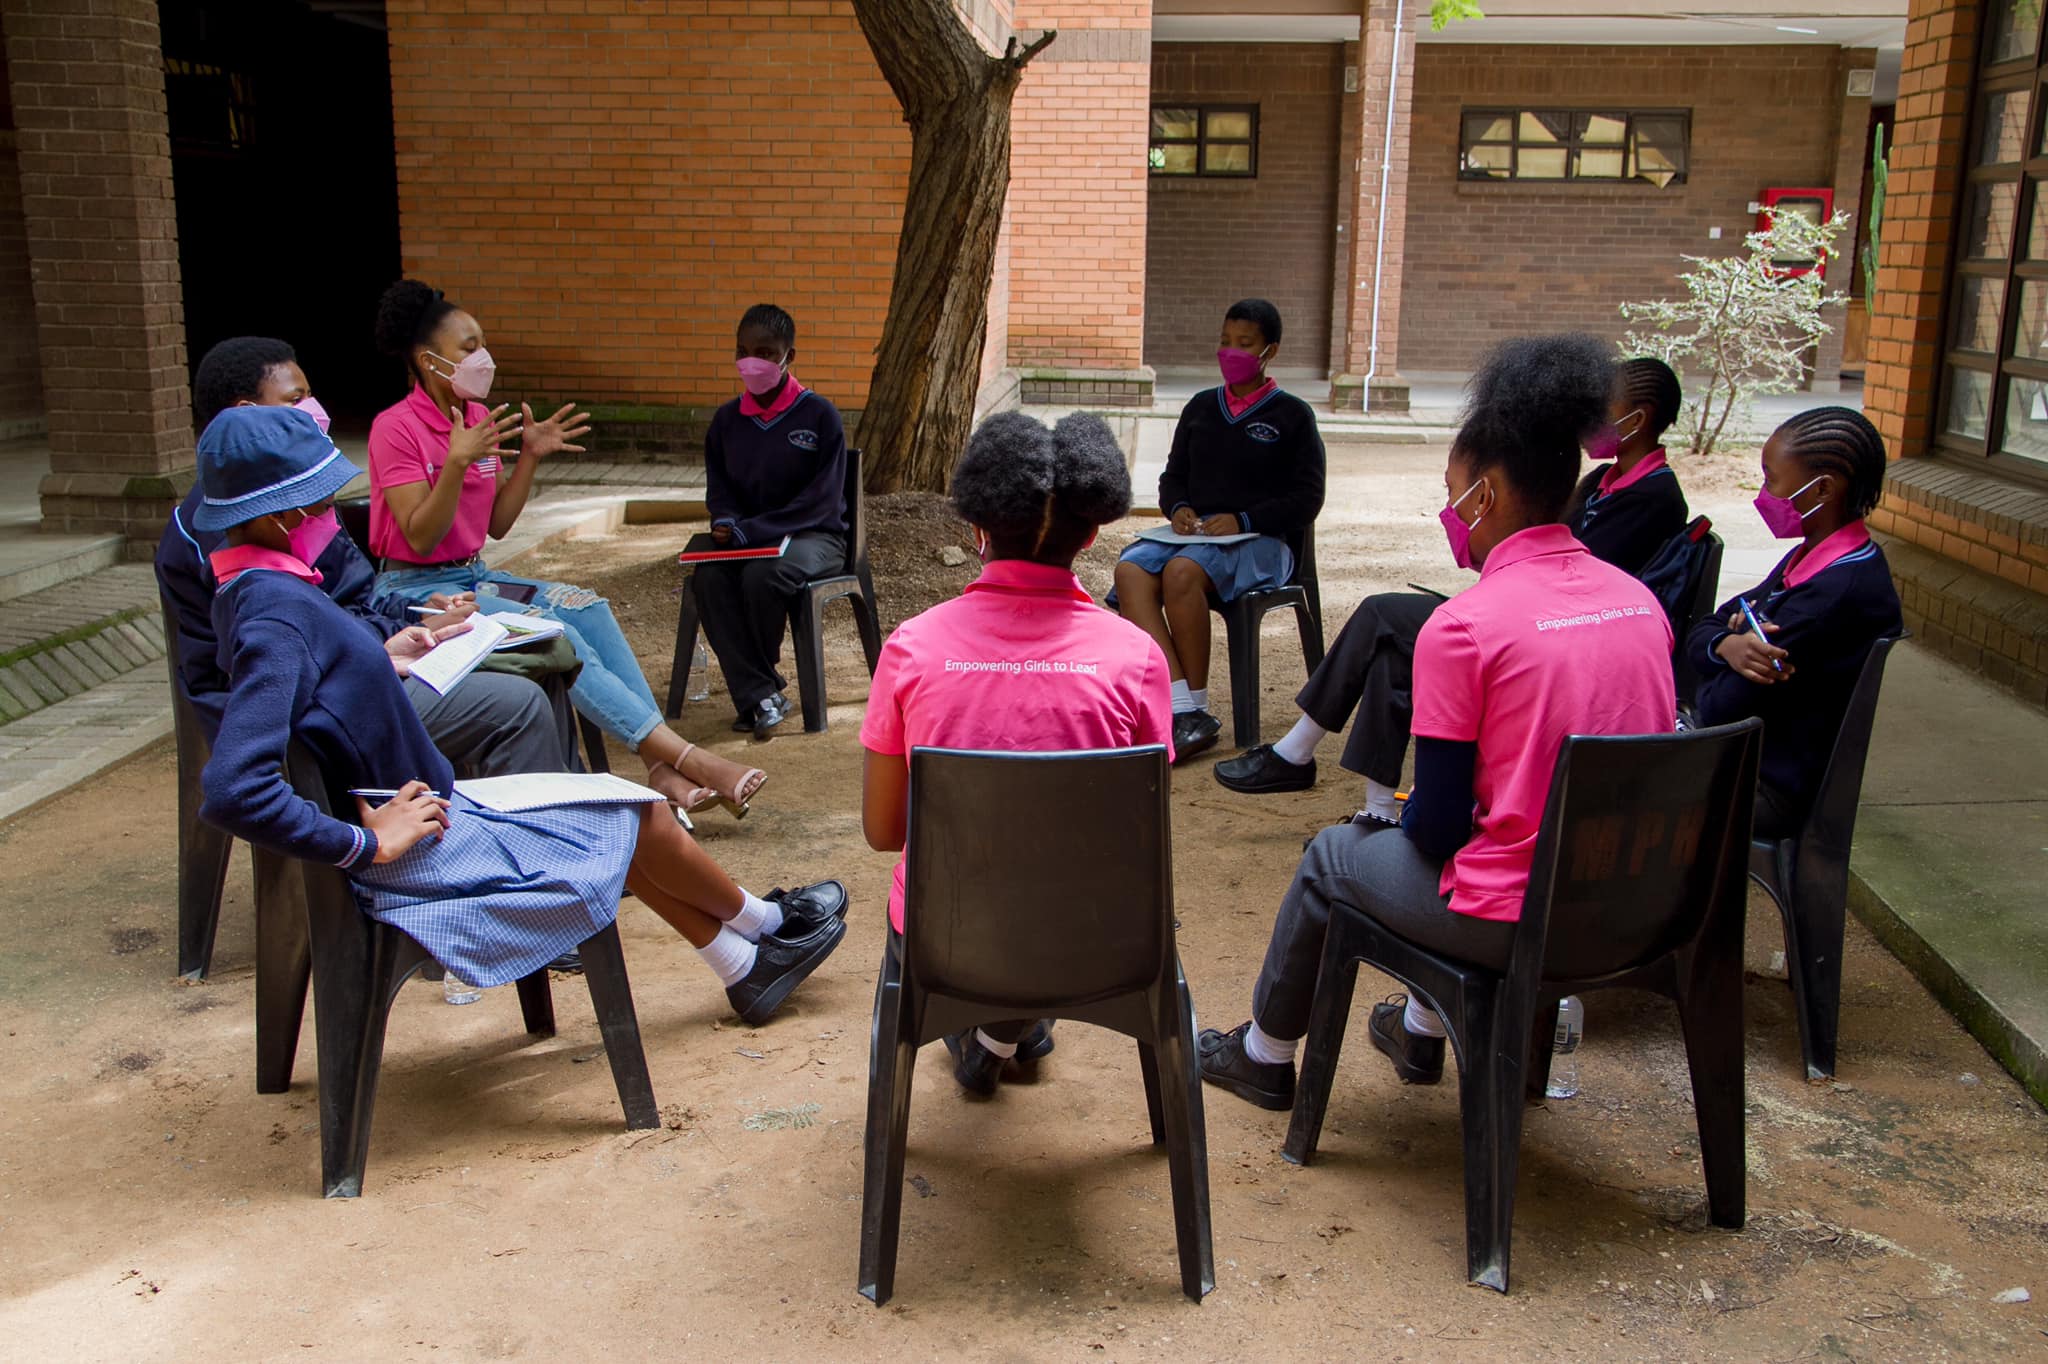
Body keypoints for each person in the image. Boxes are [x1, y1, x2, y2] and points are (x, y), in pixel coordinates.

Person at [194, 405, 847, 1025]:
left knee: (620, 812)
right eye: (318, 503)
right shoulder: (276, 614)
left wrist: (381, 651)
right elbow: (233, 788)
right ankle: (763, 926)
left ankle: (746, 961)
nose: (330, 517)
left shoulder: (259, 588)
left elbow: (314, 682)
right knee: (635, 811)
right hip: (426, 844)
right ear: (280, 513)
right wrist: (364, 843)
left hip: (433, 816)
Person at [1196, 334, 1677, 1110]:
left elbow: (1440, 835)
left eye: (1450, 490)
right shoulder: (1638, 601)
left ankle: (1263, 1055)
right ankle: (1419, 1030)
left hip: (1522, 918)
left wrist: (1398, 817)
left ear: (1483, 496)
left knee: (1334, 855)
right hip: (1637, 906)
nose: (1447, 510)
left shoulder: (1465, 626)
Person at [363, 278, 767, 818]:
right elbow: (418, 535)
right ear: (427, 359)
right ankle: (684, 759)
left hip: (474, 576)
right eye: (467, 347)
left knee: (586, 606)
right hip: (418, 591)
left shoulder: (477, 420)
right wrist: (455, 463)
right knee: (556, 632)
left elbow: (498, 525)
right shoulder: (395, 428)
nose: (482, 357)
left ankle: (660, 767)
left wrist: (528, 456)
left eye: (481, 343)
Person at [860, 411, 1175, 1097]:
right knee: (1057, 884)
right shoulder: (1137, 658)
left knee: (978, 906)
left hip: (948, 937)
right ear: (1091, 534)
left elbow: (885, 832)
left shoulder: (911, 650)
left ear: (977, 529)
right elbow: (1135, 833)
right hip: (1099, 938)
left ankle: (999, 1026)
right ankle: (1011, 1028)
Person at [1213, 357, 1689, 804]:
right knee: (1389, 650)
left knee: (1381, 612)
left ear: (1640, 418)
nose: (1595, 419)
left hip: (1563, 624)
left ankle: (1296, 752)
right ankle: (1375, 804)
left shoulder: (1657, 496)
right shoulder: (1599, 480)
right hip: (1530, 603)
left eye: (1608, 408)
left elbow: (1583, 565)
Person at [157, 336, 564, 779]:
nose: (314, 409)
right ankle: (536, 829)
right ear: (244, 416)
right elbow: (281, 659)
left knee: (543, 661)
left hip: (356, 667)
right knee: (517, 703)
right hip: (321, 705)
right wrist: (381, 647)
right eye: (297, 399)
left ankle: (571, 810)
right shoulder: (233, 538)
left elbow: (351, 602)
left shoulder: (295, 496)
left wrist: (418, 618)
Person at [1111, 298, 1325, 763]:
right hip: (1197, 537)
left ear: (1270, 351)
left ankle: (1196, 705)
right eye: (1225, 341)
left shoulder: (1293, 416)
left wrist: (1245, 520)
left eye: (1244, 344)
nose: (1231, 352)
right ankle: (1184, 711)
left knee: (1182, 574)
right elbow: (1173, 478)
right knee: (1129, 570)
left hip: (1264, 543)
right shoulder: (1200, 408)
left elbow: (1307, 500)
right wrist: (1179, 508)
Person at [1687, 407, 1901, 837]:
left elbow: (1718, 707)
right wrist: (1728, 646)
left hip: (1766, 785)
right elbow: (1703, 626)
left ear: (1822, 488)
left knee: (1601, 783)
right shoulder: (1810, 560)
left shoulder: (1837, 591)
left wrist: (1724, 643)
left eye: (1771, 480)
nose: (1763, 494)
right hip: (1747, 758)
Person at [694, 303, 850, 738]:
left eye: (765, 351)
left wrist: (755, 531)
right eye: (743, 351)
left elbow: (821, 500)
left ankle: (757, 692)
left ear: (788, 356)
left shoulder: (819, 416)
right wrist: (725, 520)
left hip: (814, 537)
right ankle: (762, 693)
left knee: (764, 575)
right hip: (748, 538)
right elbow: (720, 488)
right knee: (707, 579)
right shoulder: (726, 421)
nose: (752, 362)